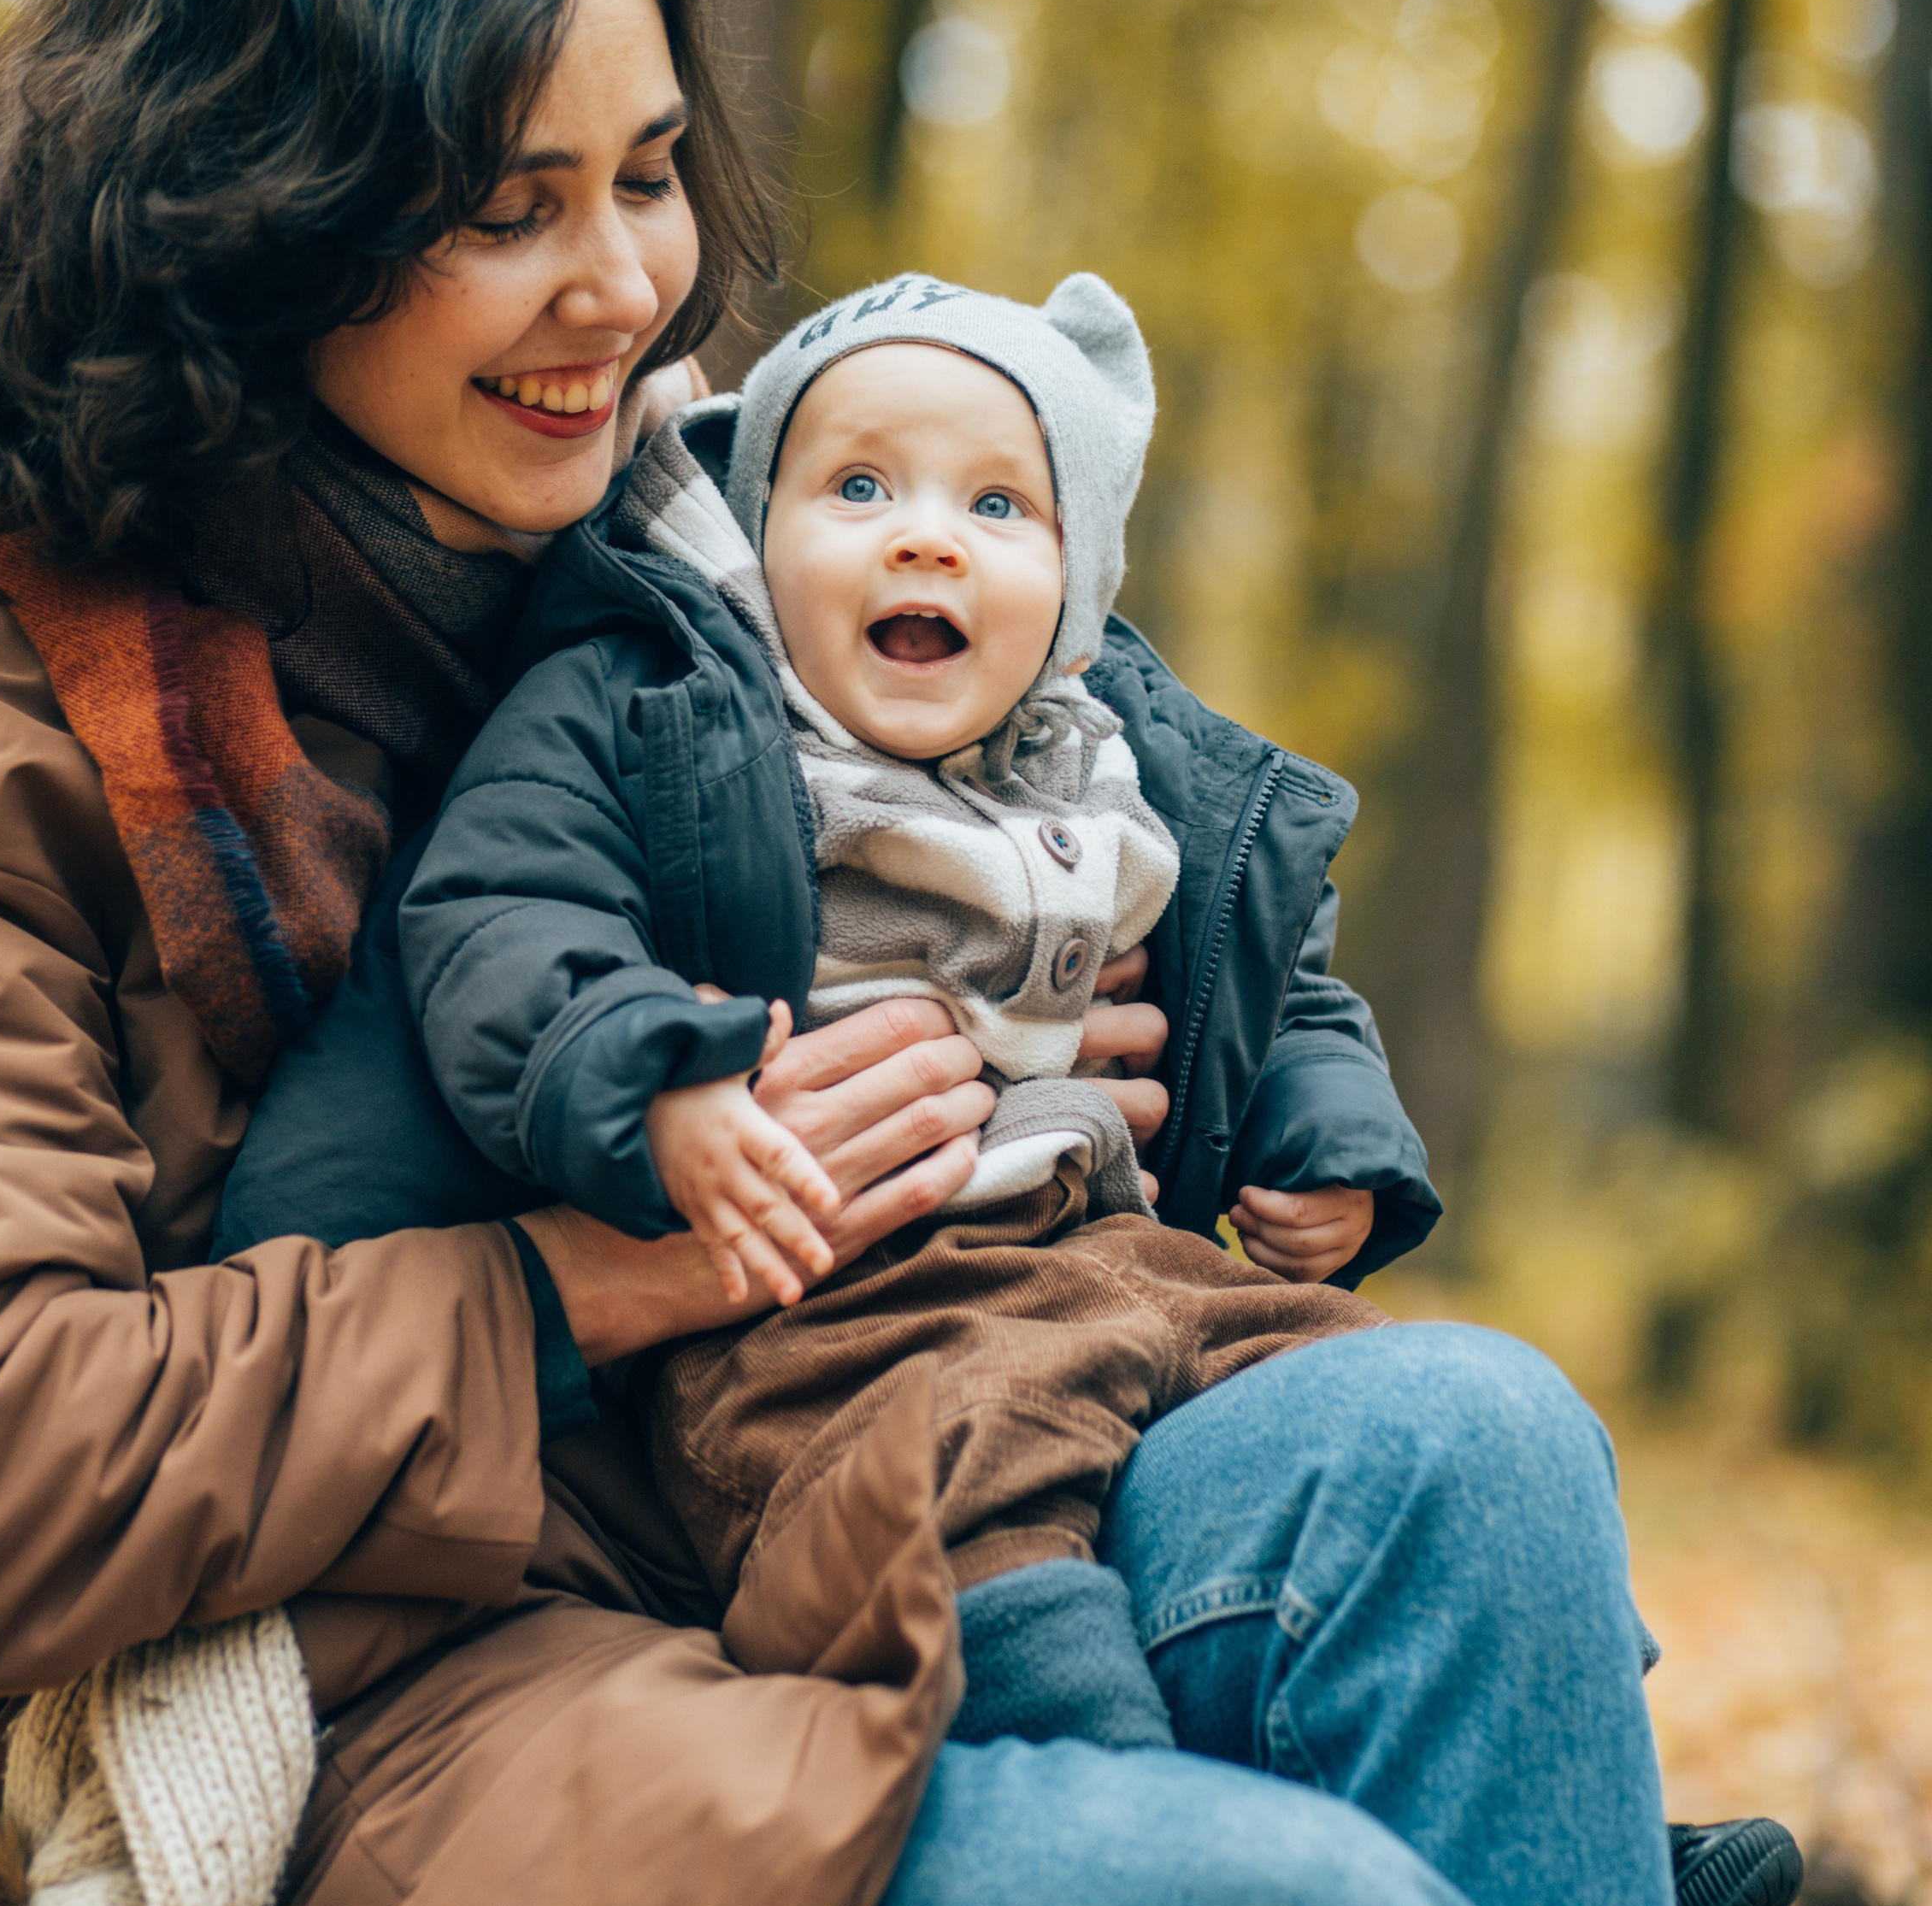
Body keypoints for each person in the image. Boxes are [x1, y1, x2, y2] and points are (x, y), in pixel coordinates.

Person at [0, 0, 1827, 1906]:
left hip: (769, 1564)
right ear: (251, 223)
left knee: (1468, 1450)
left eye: (644, 177)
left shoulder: (622, 554)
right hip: (324, 1810)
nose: (627, 284)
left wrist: (1109, 1077)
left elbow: (1036, 866)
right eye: (506, 210)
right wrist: (585, 1268)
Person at [238, 266, 1438, 1756]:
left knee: (1385, 1400)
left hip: (1123, 1258)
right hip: (832, 1323)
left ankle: (1520, 1758)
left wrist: (1335, 1148)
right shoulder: (657, 709)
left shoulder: (1112, 767)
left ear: (1076, 595)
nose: (928, 532)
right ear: (758, 536)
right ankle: (1114, 1790)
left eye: (1000, 506)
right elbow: (503, 916)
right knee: (974, 1498)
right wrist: (660, 1084)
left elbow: (1287, 983)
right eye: (859, 485)